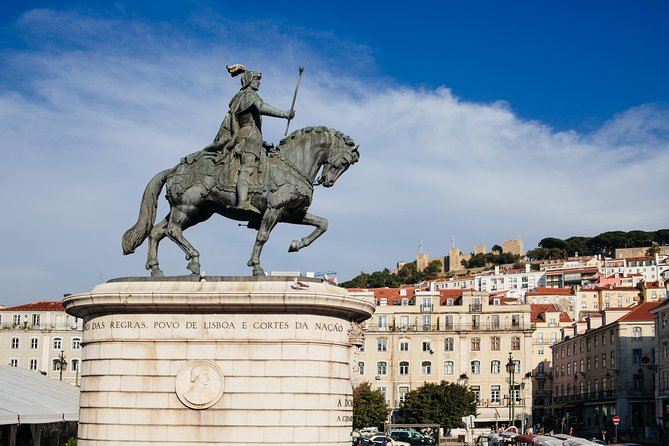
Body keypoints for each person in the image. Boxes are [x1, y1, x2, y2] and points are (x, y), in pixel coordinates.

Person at [207, 64, 295, 213]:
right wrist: (284, 114)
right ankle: (242, 202)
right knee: (247, 168)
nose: (258, 82)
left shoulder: (241, 97)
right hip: (248, 138)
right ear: (249, 80)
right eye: (256, 79)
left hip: (253, 137)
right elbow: (262, 107)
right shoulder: (248, 95)